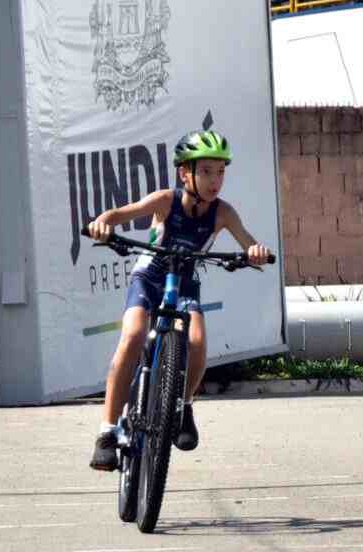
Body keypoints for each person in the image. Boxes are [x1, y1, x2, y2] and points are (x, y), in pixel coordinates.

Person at [86, 128, 271, 471]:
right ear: (184, 173)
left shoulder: (223, 213)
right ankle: (107, 433)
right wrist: (101, 224)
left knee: (198, 340)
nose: (215, 180)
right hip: (149, 278)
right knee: (132, 336)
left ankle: (182, 407)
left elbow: (249, 243)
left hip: (185, 284)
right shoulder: (165, 201)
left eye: (221, 171)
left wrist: (256, 252)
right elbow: (118, 215)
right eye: (206, 171)